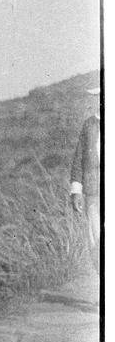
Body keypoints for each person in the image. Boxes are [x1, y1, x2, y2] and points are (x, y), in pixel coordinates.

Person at [70, 87, 101, 272]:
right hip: (94, 192)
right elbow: (78, 160)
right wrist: (76, 191)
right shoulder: (89, 125)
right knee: (96, 241)